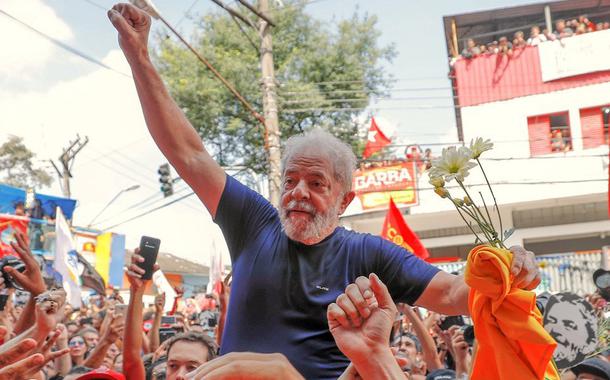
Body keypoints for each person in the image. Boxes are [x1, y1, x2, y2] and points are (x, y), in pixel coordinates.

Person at [108, 4, 541, 378]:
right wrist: (139, 57)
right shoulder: (253, 224)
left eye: (316, 184)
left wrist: (507, 279)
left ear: (344, 200)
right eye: (291, 180)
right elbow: (188, 154)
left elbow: (451, 294)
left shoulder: (369, 257)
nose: (298, 192)